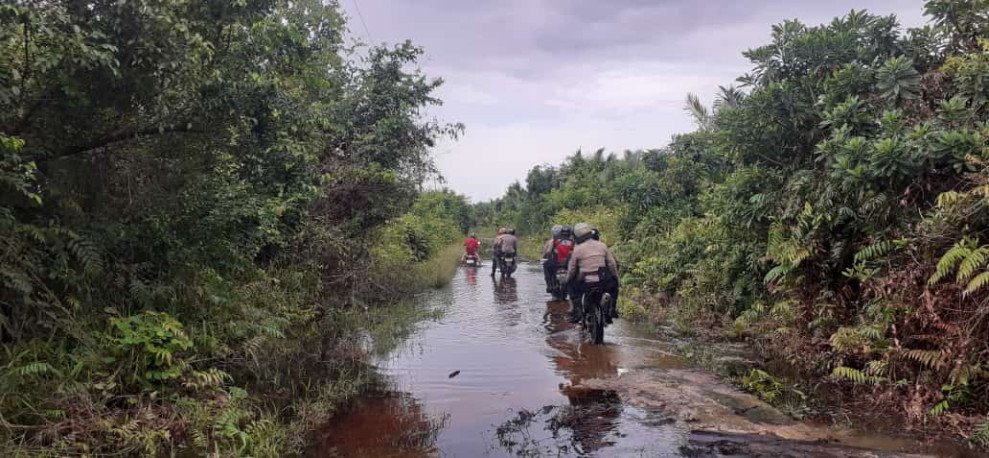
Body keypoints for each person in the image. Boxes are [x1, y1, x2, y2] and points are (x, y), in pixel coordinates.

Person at [567, 223, 619, 324]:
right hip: (603, 281)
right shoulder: (602, 246)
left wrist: (569, 279)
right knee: (615, 286)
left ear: (577, 236)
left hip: (585, 284)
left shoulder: (577, 249)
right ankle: (612, 309)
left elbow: (572, 269)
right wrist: (615, 277)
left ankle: (577, 312)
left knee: (571, 287)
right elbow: (612, 264)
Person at [542, 225, 574, 293]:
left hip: (557, 264)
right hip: (568, 264)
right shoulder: (572, 242)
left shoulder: (554, 241)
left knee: (546, 266)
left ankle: (549, 286)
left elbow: (547, 252)